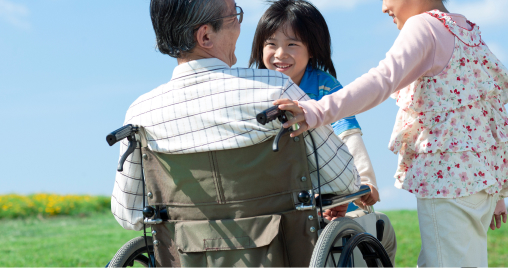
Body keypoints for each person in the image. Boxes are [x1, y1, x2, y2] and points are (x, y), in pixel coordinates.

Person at [275, 0, 508, 266]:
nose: (384, 7)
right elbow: (489, 112)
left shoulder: (424, 27)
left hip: (450, 183)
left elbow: (381, 80)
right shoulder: (466, 30)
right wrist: (495, 189)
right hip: (479, 185)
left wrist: (315, 111)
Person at [111, 0, 360, 237]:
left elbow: (128, 213)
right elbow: (344, 180)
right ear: (206, 36)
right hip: (278, 248)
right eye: (234, 15)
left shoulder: (141, 114)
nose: (240, 25)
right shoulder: (275, 91)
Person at [248, 0, 396, 263]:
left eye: (292, 44)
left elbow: (348, 135)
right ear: (260, 48)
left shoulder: (323, 88)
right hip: (289, 204)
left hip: (327, 203)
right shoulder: (254, 92)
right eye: (271, 44)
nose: (280, 53)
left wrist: (365, 181)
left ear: (312, 49)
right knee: (383, 232)